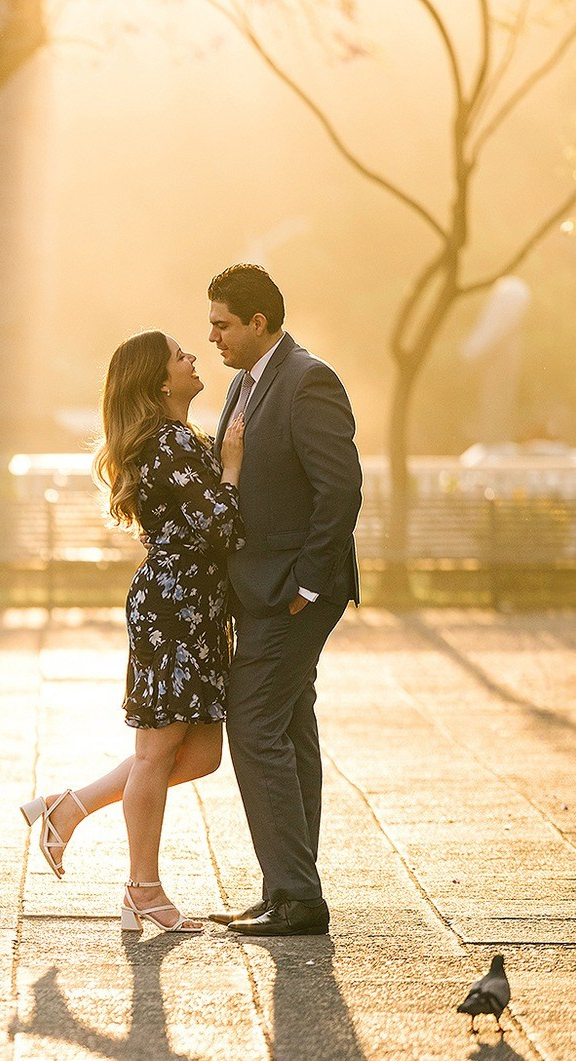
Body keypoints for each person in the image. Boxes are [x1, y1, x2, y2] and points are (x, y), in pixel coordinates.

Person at [20, 331, 244, 932]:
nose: (193, 357)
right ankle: (142, 888)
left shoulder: (177, 438)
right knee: (157, 753)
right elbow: (219, 526)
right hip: (174, 608)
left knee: (201, 755)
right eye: (179, 355)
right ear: (160, 382)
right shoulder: (169, 443)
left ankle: (71, 807)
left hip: (195, 609)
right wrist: (233, 468)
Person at [204, 264, 362, 937]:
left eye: (222, 324)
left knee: (253, 722)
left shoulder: (308, 380)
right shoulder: (244, 383)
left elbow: (341, 489)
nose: (212, 337)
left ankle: (297, 895)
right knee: (290, 726)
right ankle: (288, 887)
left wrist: (307, 584)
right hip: (260, 588)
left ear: (258, 322)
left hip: (297, 591)